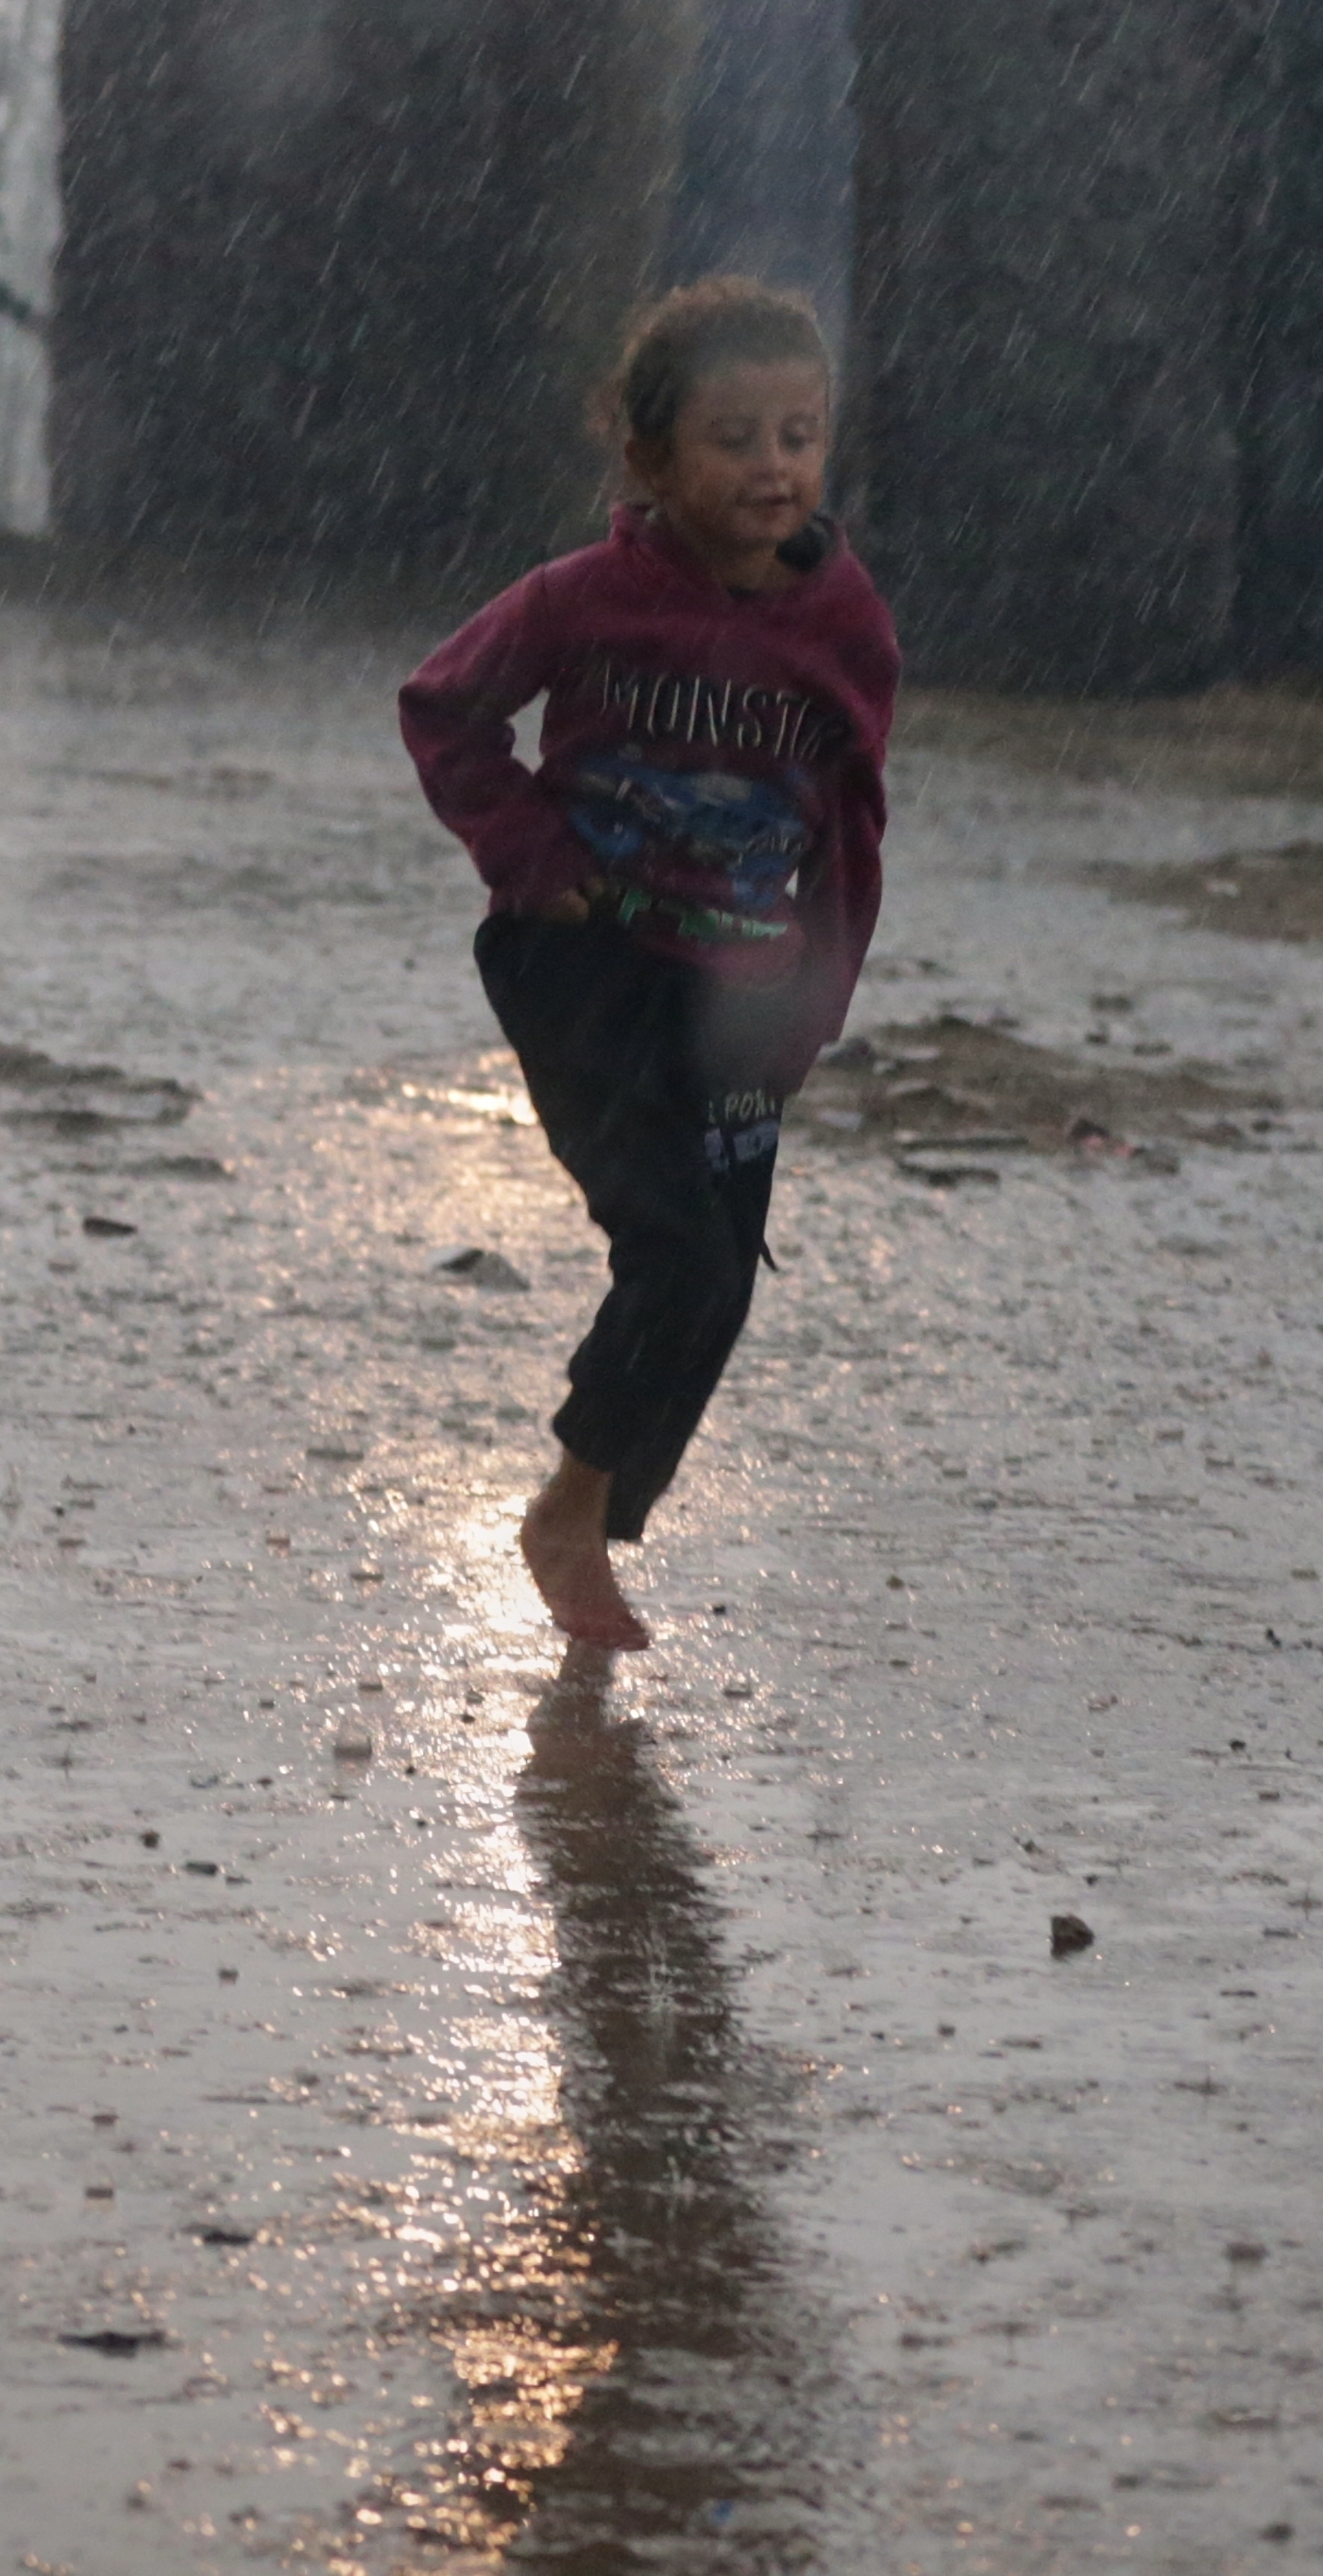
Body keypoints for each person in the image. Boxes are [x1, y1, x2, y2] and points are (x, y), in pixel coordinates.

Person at [399, 277, 895, 1655]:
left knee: (720, 1282)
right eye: (735, 438)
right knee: (672, 1252)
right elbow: (443, 708)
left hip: (740, 992)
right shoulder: (585, 599)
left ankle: (588, 1507)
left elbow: (851, 824)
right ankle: (570, 1514)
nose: (773, 466)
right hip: (587, 969)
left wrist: (817, 993)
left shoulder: (846, 628)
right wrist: (534, 858)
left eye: (800, 433)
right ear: (652, 457)